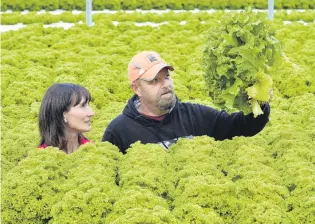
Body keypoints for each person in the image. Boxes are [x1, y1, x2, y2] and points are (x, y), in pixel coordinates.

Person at [102, 51, 270, 153]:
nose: (166, 84)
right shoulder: (118, 132)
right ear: (136, 88)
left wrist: (259, 102)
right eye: (155, 81)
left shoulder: (195, 115)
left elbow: (241, 126)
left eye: (167, 76)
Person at [38, 83, 95, 154]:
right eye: (82, 106)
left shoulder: (94, 151)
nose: (92, 113)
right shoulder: (38, 158)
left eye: (88, 105)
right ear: (63, 114)